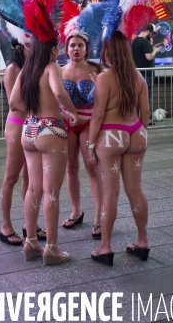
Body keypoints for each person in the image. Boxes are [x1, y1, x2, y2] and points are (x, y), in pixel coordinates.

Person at [10, 38, 79, 265]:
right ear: (51, 49)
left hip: (29, 130)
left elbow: (13, 102)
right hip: (51, 133)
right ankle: (52, 248)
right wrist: (71, 111)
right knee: (52, 192)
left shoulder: (26, 71)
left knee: (32, 188)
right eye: (57, 47)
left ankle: (30, 241)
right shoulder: (52, 68)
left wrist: (35, 110)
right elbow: (59, 93)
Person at [86, 30, 150, 266]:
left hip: (111, 137)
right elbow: (146, 113)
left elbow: (98, 115)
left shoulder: (104, 78)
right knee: (136, 190)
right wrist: (137, 133)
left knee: (110, 194)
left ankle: (105, 247)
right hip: (136, 134)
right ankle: (142, 241)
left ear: (108, 51)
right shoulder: (138, 77)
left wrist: (90, 145)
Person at [60, 33, 103, 239]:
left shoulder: (97, 70)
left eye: (80, 45)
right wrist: (65, 113)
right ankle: (76, 211)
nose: (76, 49)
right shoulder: (59, 72)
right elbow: (53, 99)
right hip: (67, 124)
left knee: (92, 166)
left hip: (89, 123)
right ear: (66, 50)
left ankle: (100, 216)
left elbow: (107, 97)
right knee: (71, 168)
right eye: (72, 45)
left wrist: (100, 85)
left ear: (87, 49)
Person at [0, 39, 39, 246]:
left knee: (30, 176)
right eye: (29, 45)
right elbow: (14, 103)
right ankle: (5, 226)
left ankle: (29, 224)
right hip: (17, 123)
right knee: (12, 175)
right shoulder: (12, 69)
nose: (33, 48)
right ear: (18, 47)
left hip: (32, 122)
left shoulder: (33, 68)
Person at [131, 23, 161, 105]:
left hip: (138, 73)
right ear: (148, 32)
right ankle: (145, 116)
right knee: (146, 97)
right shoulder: (144, 42)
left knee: (138, 97)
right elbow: (149, 57)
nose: (151, 36)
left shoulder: (136, 41)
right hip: (147, 73)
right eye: (152, 33)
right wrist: (155, 51)